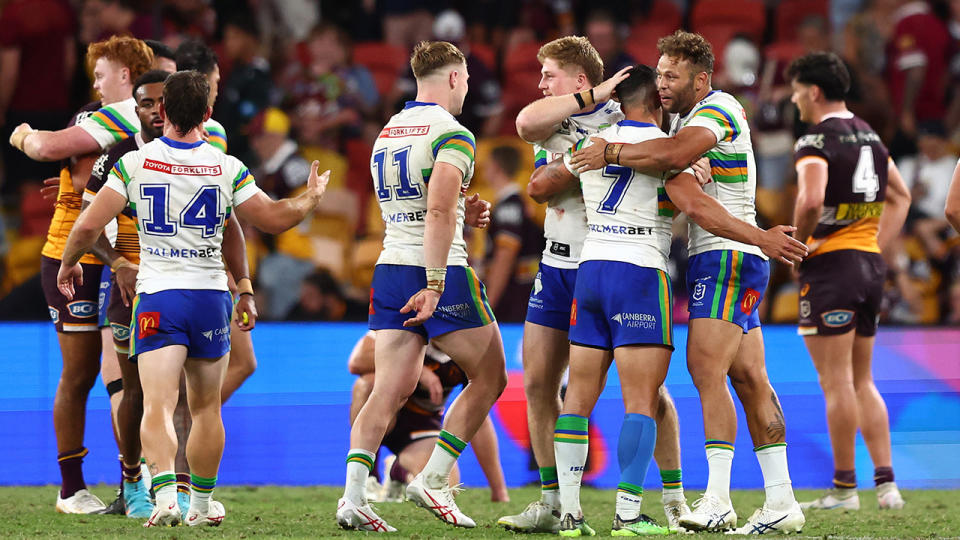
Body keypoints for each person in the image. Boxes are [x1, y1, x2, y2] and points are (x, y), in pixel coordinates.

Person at [530, 65, 806, 537]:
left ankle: (571, 515)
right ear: (656, 103)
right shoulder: (664, 152)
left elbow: (538, 185)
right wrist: (760, 236)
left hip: (590, 269)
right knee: (643, 400)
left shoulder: (587, 146)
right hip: (640, 272)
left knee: (575, 399)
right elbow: (695, 205)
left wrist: (574, 157)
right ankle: (629, 515)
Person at [56, 70, 331, 527]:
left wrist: (68, 263)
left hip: (159, 296)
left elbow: (86, 227)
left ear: (162, 111)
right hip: (209, 299)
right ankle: (200, 506)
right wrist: (311, 198)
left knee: (156, 404)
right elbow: (272, 218)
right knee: (204, 409)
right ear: (208, 114)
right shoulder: (226, 166)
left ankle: (163, 498)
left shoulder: (134, 164)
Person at [499, 36, 689, 534]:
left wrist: (599, 154)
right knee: (573, 389)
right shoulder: (652, 142)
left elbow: (542, 185)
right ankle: (591, 511)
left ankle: (661, 502)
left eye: (549, 75)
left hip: (594, 265)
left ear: (582, 78)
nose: (541, 85)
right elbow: (533, 167)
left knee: (619, 395)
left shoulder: (600, 134)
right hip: (600, 267)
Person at [337, 40, 507, 533]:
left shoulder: (387, 132)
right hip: (441, 272)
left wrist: (461, 213)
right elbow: (434, 212)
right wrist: (435, 281)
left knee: (387, 390)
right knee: (491, 377)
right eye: (467, 80)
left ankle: (353, 498)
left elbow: (416, 209)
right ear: (455, 78)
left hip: (390, 265)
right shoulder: (453, 133)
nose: (467, 89)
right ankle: (432, 481)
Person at [7, 34, 152, 514]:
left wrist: (23, 134)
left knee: (122, 375)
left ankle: (133, 479)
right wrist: (75, 181)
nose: (95, 82)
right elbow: (87, 167)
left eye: (101, 72)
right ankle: (76, 487)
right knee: (88, 373)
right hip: (78, 253)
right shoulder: (109, 116)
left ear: (126, 76)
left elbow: (49, 147)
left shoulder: (121, 113)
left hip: (118, 255)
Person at [788, 51, 911, 511]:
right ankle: (887, 486)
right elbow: (902, 194)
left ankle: (844, 489)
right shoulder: (872, 137)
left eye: (798, 90)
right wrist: (875, 242)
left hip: (831, 268)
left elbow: (811, 199)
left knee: (835, 381)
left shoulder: (815, 140)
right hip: (868, 265)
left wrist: (798, 247)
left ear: (814, 91)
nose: (795, 99)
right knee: (863, 379)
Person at [347, 331, 509, 503]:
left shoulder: (468, 347)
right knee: (366, 384)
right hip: (386, 412)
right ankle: (368, 478)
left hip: (422, 423)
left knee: (444, 487)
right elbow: (357, 361)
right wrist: (418, 369)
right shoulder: (405, 321)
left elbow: (477, 416)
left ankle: (397, 470)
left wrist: (498, 490)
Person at [482, 145, 544, 322]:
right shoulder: (517, 203)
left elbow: (505, 255)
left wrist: (489, 303)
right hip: (519, 295)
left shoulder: (509, 207)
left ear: (495, 166)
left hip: (513, 298)